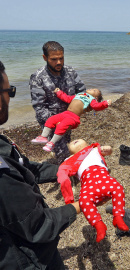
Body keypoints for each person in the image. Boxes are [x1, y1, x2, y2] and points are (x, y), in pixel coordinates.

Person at [0, 60, 81, 269]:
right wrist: (81, 205)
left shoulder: (2, 145)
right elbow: (39, 226)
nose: (10, 97)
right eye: (10, 91)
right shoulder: (1, 177)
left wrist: (71, 169)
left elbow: (27, 168)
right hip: (27, 261)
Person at [57, 139, 129, 242]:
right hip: (88, 183)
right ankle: (98, 225)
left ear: (87, 143)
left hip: (104, 177)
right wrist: (69, 200)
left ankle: (118, 216)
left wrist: (108, 149)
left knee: (118, 188)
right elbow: (63, 174)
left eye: (78, 139)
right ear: (70, 152)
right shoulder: (70, 159)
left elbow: (108, 151)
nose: (74, 140)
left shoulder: (94, 149)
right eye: (71, 143)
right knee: (84, 201)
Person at [29, 41, 86, 163]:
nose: (59, 62)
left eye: (61, 58)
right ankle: (66, 174)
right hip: (51, 123)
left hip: (70, 118)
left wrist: (81, 109)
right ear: (45, 58)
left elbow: (81, 93)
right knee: (63, 152)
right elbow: (39, 107)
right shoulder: (38, 77)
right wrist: (58, 121)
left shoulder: (70, 72)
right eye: (54, 59)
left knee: (67, 142)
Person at [31, 87, 112, 152]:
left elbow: (96, 106)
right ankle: (43, 136)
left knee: (62, 126)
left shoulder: (92, 99)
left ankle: (51, 143)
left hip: (74, 118)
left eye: (95, 90)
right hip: (65, 113)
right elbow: (67, 98)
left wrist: (105, 103)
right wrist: (59, 92)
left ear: (96, 97)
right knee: (51, 120)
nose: (91, 89)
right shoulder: (79, 94)